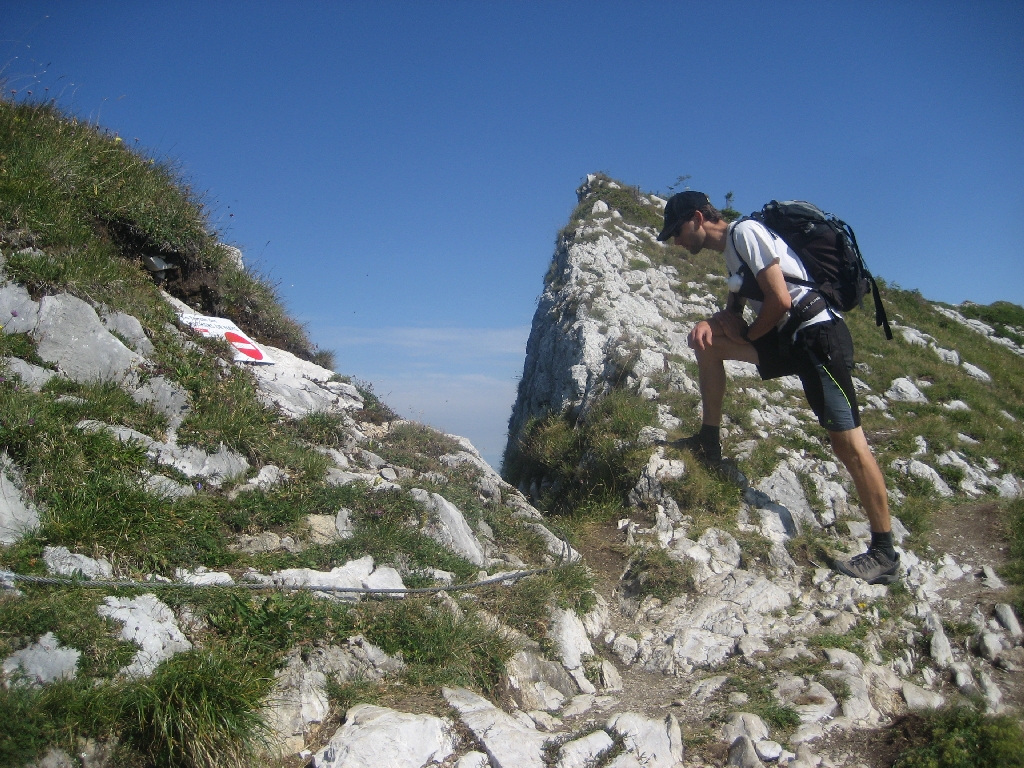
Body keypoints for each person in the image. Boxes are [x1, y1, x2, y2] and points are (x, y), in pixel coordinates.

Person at [656, 191, 899, 585]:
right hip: (791, 339)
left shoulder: (746, 233)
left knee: (848, 443)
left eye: (678, 231)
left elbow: (781, 300)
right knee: (706, 345)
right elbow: (732, 315)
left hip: (818, 338)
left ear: (699, 218)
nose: (676, 241)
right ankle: (708, 439)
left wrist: (748, 332)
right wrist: (709, 324)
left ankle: (885, 551)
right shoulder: (732, 254)